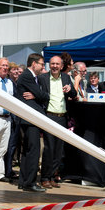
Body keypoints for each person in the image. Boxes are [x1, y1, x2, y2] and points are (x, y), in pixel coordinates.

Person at [38, 55, 76, 188]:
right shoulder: (42, 78)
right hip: (49, 116)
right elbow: (38, 94)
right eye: (52, 64)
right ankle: (44, 177)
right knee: (49, 148)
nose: (54, 66)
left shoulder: (66, 78)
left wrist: (70, 90)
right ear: (49, 65)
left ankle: (53, 175)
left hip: (62, 117)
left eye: (57, 64)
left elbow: (74, 94)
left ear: (61, 66)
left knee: (59, 150)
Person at [16, 53, 49, 192]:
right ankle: (30, 182)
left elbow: (40, 95)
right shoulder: (27, 76)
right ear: (34, 64)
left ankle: (24, 181)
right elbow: (44, 95)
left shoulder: (34, 78)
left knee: (28, 151)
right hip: (30, 119)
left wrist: (36, 95)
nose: (43, 67)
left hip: (30, 118)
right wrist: (39, 95)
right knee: (33, 151)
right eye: (41, 64)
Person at [0, 58, 14, 182]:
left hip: (7, 119)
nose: (5, 68)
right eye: (3, 66)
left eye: (7, 66)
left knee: (3, 148)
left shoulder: (9, 83)